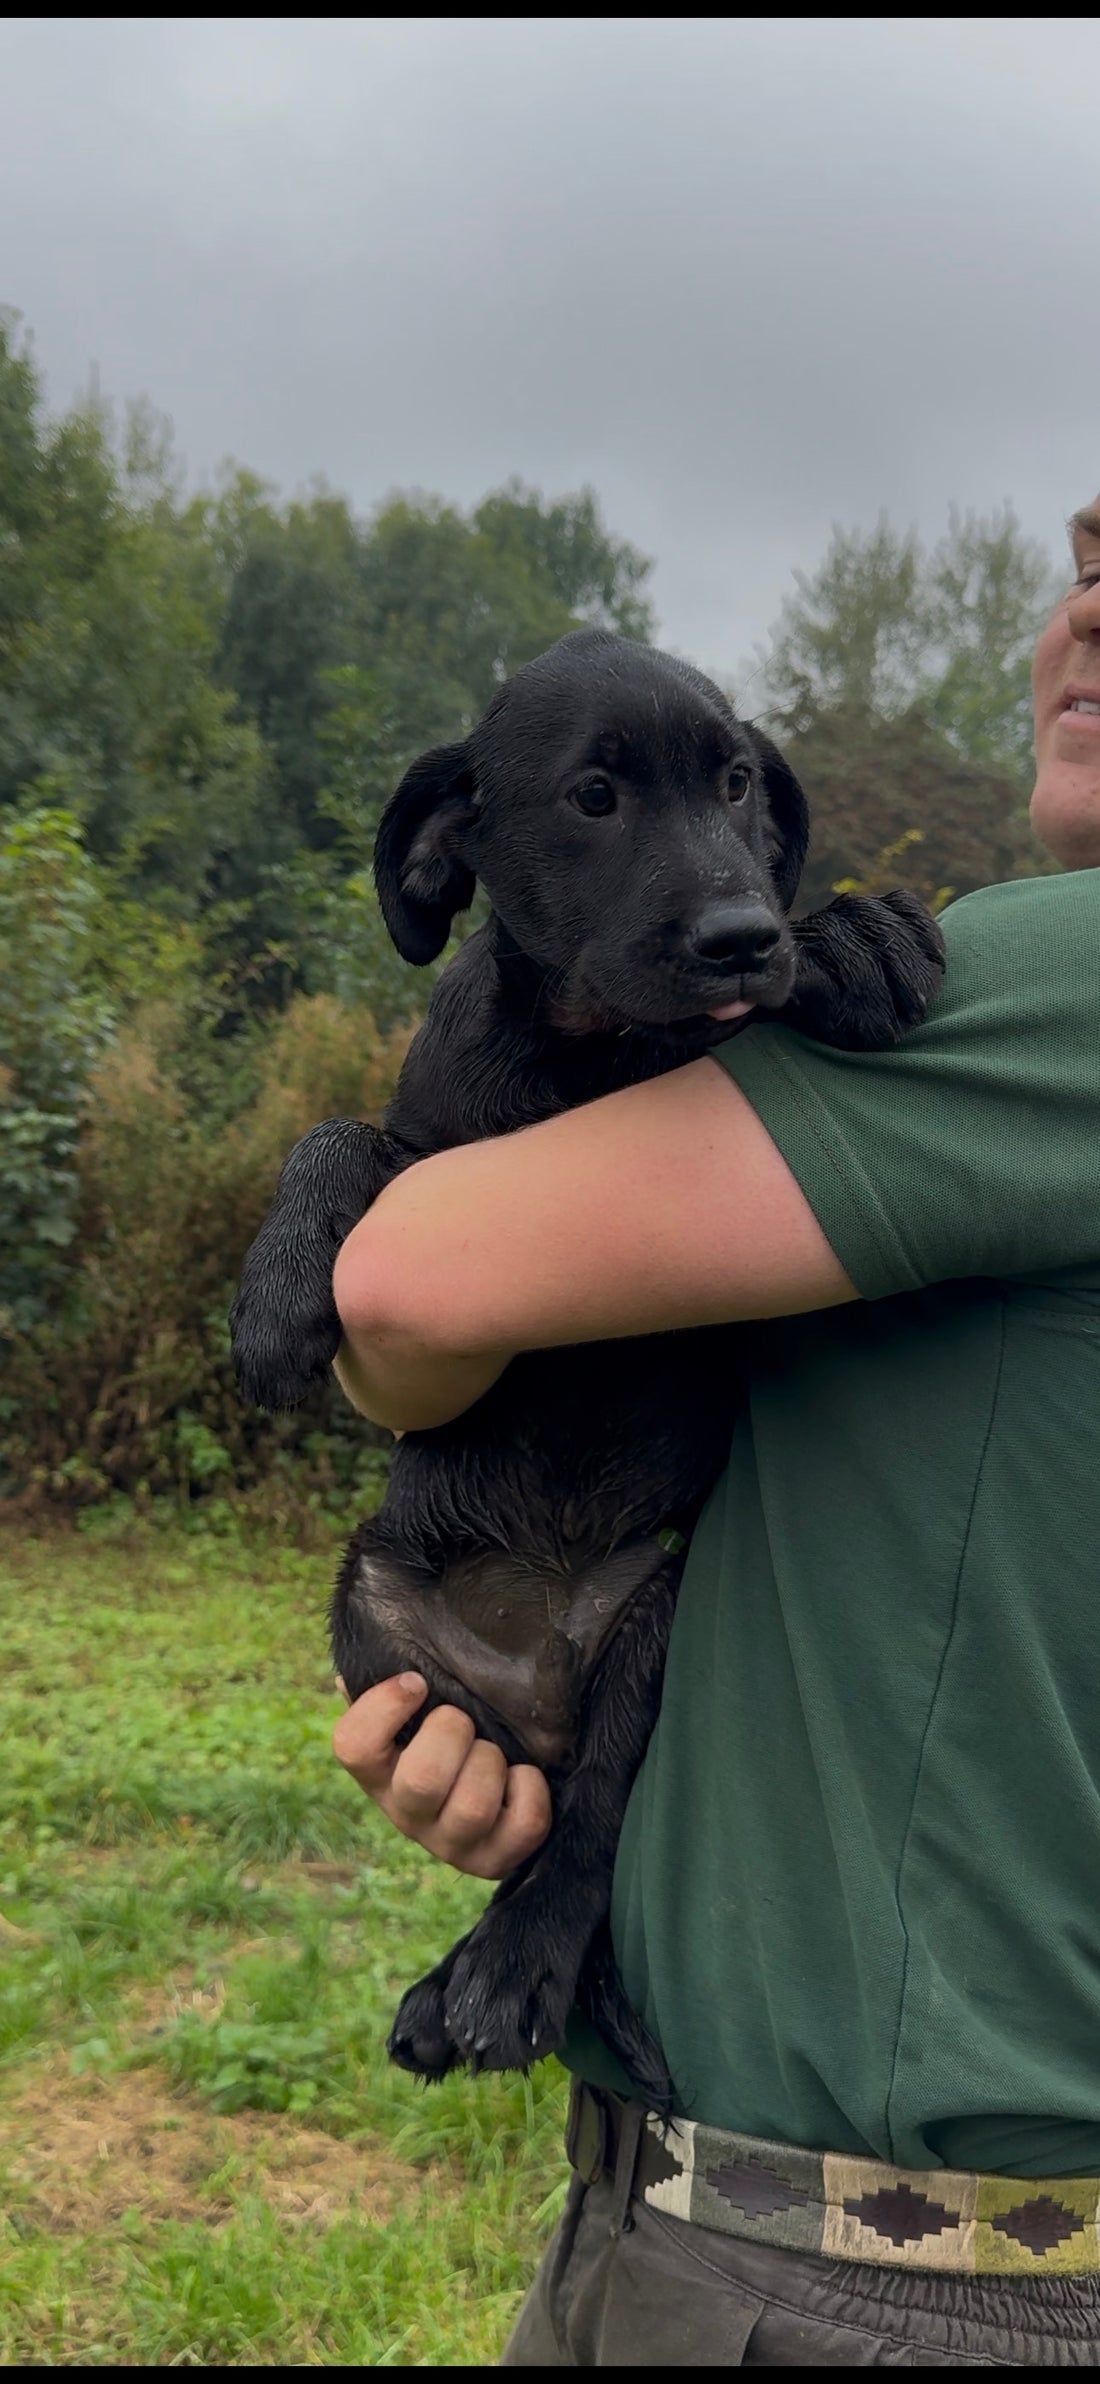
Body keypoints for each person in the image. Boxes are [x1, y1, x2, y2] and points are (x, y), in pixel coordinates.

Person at [329, 498, 1100, 2366]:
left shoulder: (1052, 988)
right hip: (710, 2196)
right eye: (1090, 562)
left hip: (884, 2288)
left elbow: (403, 1289)